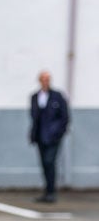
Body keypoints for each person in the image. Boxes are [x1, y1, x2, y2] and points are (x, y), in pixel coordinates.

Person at [29, 70, 69, 203]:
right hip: (40, 136)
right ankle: (47, 191)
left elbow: (65, 117)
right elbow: (34, 117)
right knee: (44, 164)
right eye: (43, 79)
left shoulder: (57, 96)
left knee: (49, 162)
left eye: (48, 79)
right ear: (39, 81)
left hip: (53, 137)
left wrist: (58, 132)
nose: (45, 81)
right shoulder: (35, 96)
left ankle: (51, 192)